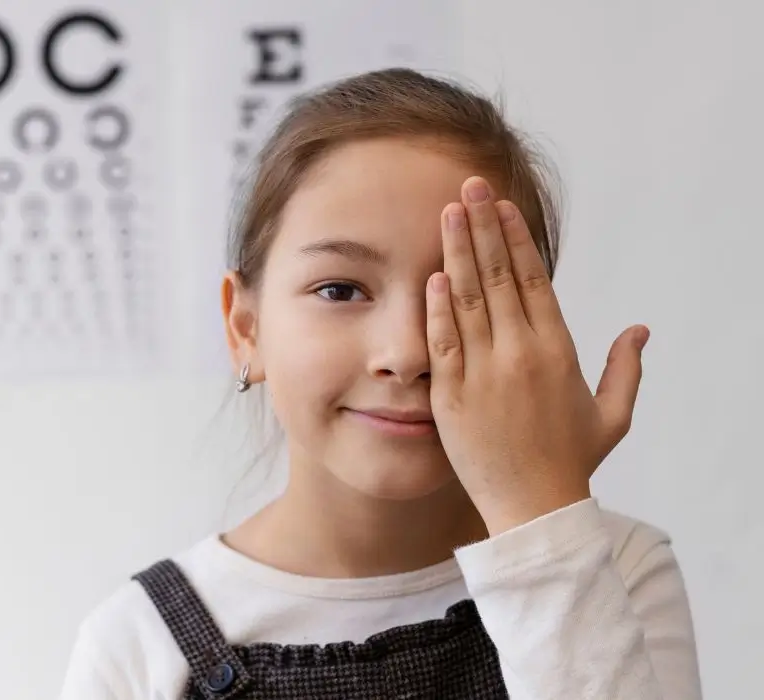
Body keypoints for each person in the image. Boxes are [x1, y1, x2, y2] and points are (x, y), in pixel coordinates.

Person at [58, 68, 702, 699]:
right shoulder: (138, 646)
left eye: (461, 292)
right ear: (245, 327)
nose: (407, 352)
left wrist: (540, 517)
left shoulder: (613, 569)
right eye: (340, 289)